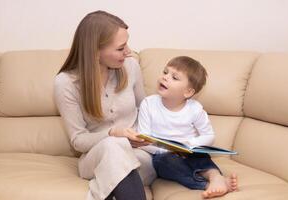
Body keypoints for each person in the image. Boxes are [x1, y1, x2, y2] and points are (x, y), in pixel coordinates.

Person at [54, 10, 156, 200]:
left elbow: (146, 111)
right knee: (113, 145)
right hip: (95, 157)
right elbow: (78, 140)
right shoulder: (66, 83)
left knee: (119, 159)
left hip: (137, 157)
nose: (128, 52)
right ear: (95, 51)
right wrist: (111, 134)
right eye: (120, 48)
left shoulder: (130, 66)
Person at [137, 56, 238, 199]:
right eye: (165, 72)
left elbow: (209, 136)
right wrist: (168, 149)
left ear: (188, 92)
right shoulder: (148, 104)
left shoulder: (195, 109)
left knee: (200, 154)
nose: (165, 77)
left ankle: (215, 176)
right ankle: (204, 184)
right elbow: (143, 139)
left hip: (188, 150)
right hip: (163, 154)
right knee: (164, 162)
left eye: (174, 77)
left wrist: (188, 145)